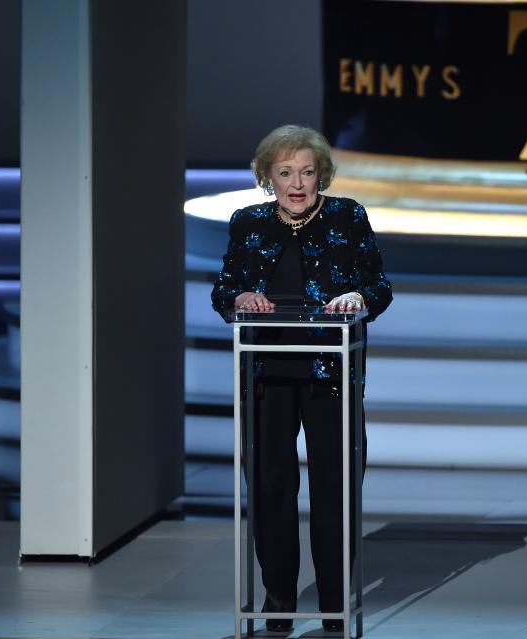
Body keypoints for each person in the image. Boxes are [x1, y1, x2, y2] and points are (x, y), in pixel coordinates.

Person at [211, 124, 392, 633]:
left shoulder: (347, 216)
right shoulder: (247, 223)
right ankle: (278, 600)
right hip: (267, 372)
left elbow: (378, 285)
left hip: (329, 372)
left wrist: (359, 299)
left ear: (322, 176)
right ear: (268, 176)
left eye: (307, 172)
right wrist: (241, 299)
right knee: (270, 486)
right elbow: (225, 288)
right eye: (286, 172)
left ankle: (333, 600)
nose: (297, 183)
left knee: (335, 486)